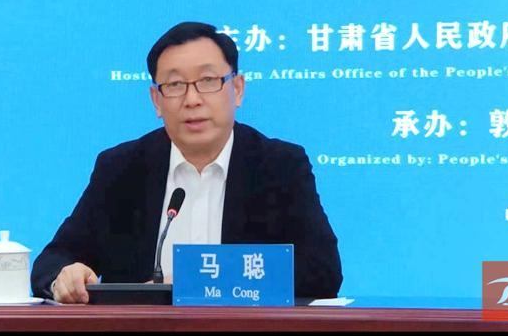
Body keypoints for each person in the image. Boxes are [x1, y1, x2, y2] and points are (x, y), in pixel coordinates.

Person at [31, 21, 342, 303]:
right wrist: (66, 277)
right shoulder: (121, 169)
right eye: (175, 85)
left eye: (208, 80)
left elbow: (323, 272)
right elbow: (52, 262)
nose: (192, 99)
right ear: (157, 100)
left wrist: (196, 281)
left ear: (237, 89)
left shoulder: (280, 166)